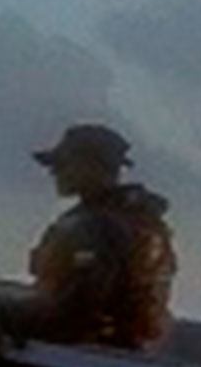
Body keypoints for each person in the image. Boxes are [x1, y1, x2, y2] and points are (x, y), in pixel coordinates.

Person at [19, 122, 178, 350]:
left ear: (93, 166)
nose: (54, 172)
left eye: (63, 164)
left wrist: (4, 316)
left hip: (87, 348)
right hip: (123, 350)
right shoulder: (137, 220)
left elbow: (77, 310)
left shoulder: (99, 228)